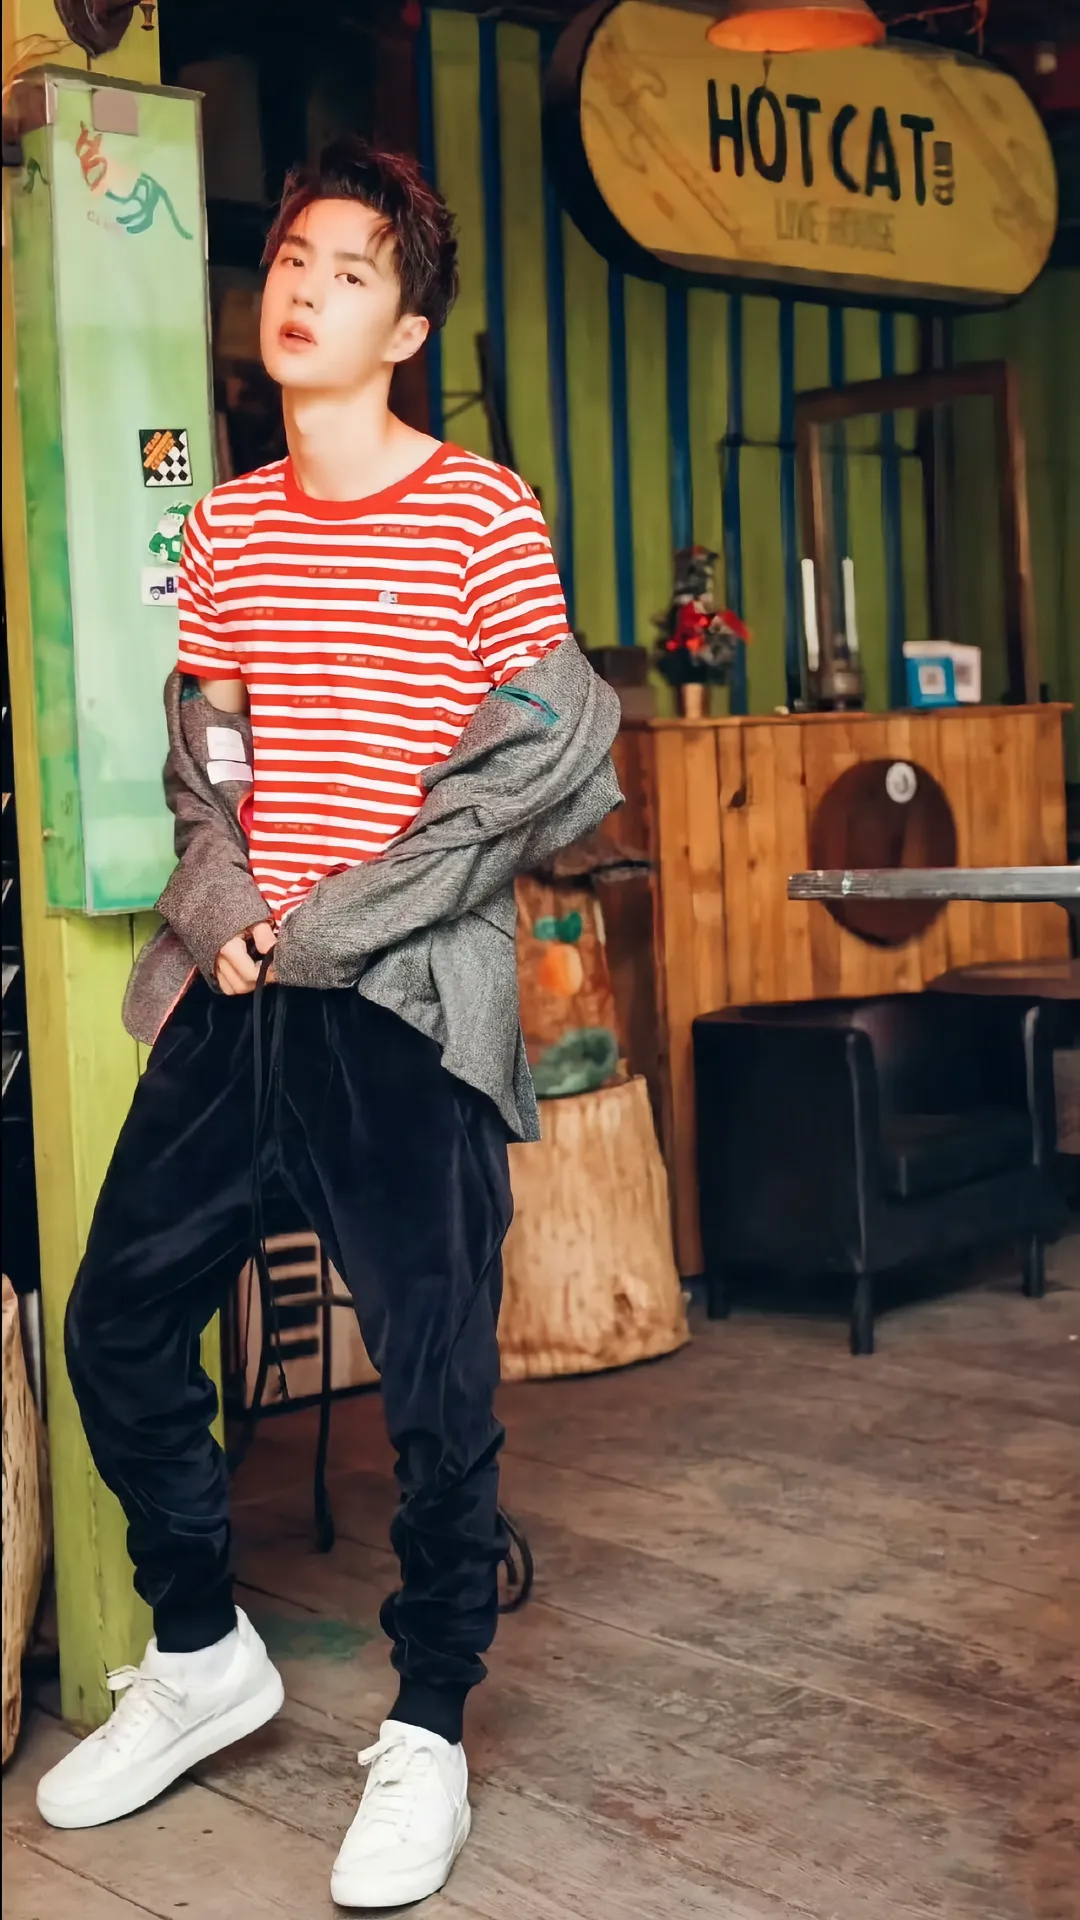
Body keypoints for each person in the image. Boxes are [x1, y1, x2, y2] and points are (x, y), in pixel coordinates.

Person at [36, 139, 621, 1910]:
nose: (305, 288)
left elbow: (550, 758)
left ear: (407, 327)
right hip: (238, 996)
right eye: (293, 258)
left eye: (352, 271)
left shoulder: (479, 511)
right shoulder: (227, 522)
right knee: (118, 1324)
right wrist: (224, 907)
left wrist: (344, 917)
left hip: (401, 1007)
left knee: (438, 1388)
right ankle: (202, 1653)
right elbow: (207, 755)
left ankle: (429, 1724)